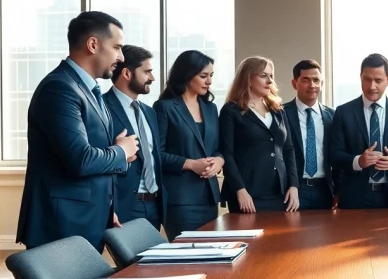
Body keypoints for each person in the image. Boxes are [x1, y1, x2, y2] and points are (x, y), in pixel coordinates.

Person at [16, 11, 138, 252]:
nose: (121, 57)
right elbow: (80, 159)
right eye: (117, 47)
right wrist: (121, 152)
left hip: (89, 220)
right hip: (61, 226)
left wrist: (107, 209)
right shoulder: (60, 88)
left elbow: (93, 152)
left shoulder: (88, 88)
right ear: (93, 44)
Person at [330, 53, 388, 209]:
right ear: (360, 78)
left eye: (378, 81)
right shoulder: (343, 112)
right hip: (354, 198)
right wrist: (358, 161)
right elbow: (334, 155)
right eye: (367, 79)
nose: (372, 86)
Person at [153, 50, 223, 240]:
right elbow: (157, 154)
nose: (209, 81)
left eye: (211, 76)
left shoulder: (211, 108)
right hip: (180, 201)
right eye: (203, 76)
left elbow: (217, 148)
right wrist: (191, 164)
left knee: (210, 256)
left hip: (209, 199)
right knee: (187, 258)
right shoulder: (164, 107)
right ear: (186, 75)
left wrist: (219, 161)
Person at [219, 56, 300, 213]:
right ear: (248, 78)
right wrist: (240, 190)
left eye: (271, 76)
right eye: (263, 76)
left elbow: (288, 149)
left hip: (280, 194)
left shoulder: (278, 110)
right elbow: (227, 154)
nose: (269, 81)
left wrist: (294, 186)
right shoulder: (231, 110)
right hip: (247, 193)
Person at [102, 45, 165, 231]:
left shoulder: (149, 112)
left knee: (154, 261)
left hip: (154, 205)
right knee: (131, 261)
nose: (152, 78)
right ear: (127, 74)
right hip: (125, 205)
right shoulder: (102, 108)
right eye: (147, 72)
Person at [283, 59, 338, 210]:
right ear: (295, 83)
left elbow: (337, 156)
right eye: (305, 80)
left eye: (316, 80)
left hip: (325, 190)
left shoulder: (333, 116)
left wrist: (338, 191)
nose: (312, 85)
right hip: (293, 189)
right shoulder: (281, 114)